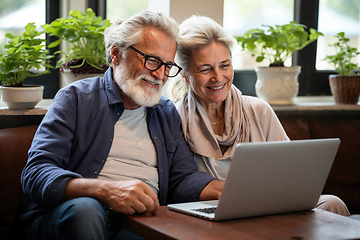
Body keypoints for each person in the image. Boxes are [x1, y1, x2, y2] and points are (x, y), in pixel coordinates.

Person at [20, 11, 224, 240]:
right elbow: (35, 174)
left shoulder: (166, 112)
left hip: (134, 224)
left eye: (167, 65)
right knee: (87, 211)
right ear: (117, 54)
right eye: (153, 61)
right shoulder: (76, 98)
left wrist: (225, 190)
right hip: (69, 219)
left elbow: (182, 178)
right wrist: (105, 190)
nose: (160, 75)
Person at [168, 15, 350, 216]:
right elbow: (179, 185)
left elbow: (290, 173)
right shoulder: (175, 118)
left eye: (224, 65)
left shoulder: (258, 110)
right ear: (184, 75)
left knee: (332, 203)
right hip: (214, 211)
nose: (218, 77)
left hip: (270, 204)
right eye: (205, 69)